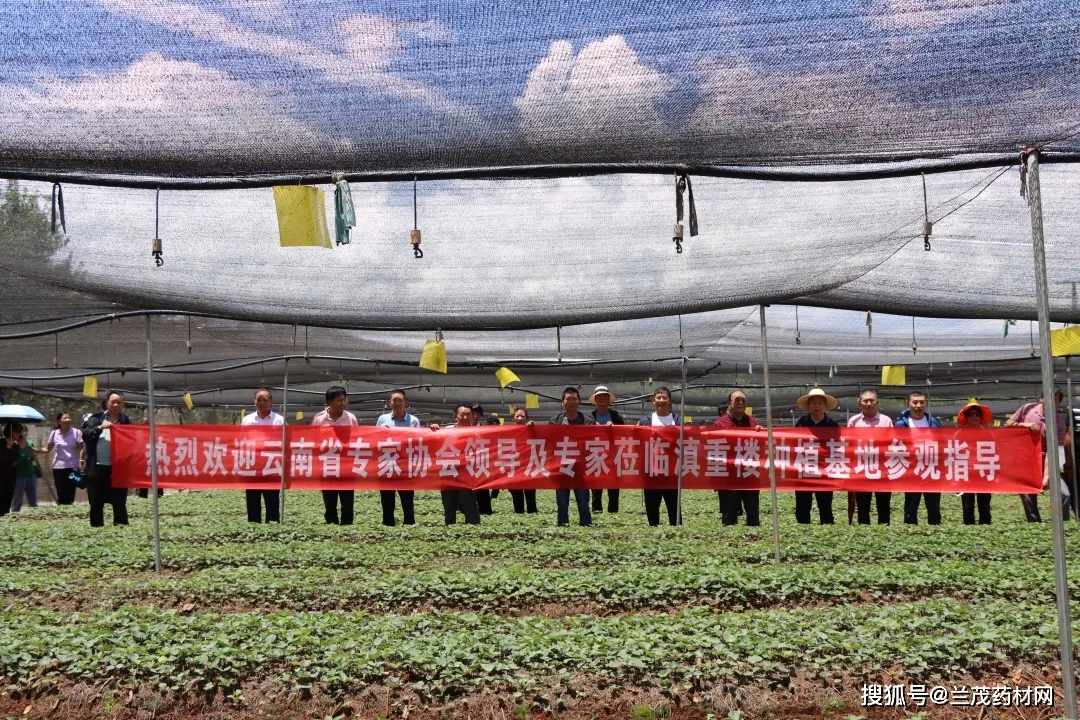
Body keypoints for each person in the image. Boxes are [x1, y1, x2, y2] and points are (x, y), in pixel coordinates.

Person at [1006, 389, 1069, 523]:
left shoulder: (1060, 424)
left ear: (1060, 402)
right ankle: (1034, 523)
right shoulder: (1026, 410)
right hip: (1026, 460)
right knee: (1027, 493)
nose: (1051, 402)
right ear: (1042, 399)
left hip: (1047, 460)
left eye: (1055, 399)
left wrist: (1047, 475)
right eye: (1048, 398)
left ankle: (1063, 525)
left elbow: (1053, 451)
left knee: (1064, 494)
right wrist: (1024, 424)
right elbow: (1008, 424)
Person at [714, 390, 764, 526]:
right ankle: (730, 543)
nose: (740, 403)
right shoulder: (720, 424)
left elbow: (762, 446)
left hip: (750, 475)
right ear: (730, 403)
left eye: (743, 400)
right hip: (728, 477)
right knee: (729, 516)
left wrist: (761, 433)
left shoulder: (753, 423)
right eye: (737, 400)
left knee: (753, 513)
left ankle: (754, 541)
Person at [82, 391, 132, 527]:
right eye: (112, 402)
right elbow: (86, 436)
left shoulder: (126, 421)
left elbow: (131, 442)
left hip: (117, 469)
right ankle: (97, 531)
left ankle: (121, 531)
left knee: (120, 503)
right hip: (97, 468)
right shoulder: (95, 418)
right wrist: (100, 427)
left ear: (123, 404)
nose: (115, 404)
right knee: (96, 503)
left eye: (119, 402)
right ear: (106, 403)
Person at [311, 385, 358, 525]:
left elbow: (357, 438)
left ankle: (347, 524)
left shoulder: (350, 418)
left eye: (344, 400)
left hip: (347, 465)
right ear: (329, 402)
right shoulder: (319, 419)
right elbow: (313, 440)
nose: (343, 403)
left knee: (347, 498)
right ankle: (331, 523)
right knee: (329, 497)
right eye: (339, 400)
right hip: (327, 464)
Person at [895, 392, 943, 525]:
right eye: (915, 402)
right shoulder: (900, 424)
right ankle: (910, 533)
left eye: (922, 402)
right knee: (911, 506)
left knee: (933, 506)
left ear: (926, 404)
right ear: (908, 404)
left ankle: (935, 534)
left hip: (931, 469)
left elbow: (941, 444)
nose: (918, 405)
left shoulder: (934, 423)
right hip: (911, 471)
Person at [793, 387, 839, 524]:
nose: (817, 405)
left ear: (825, 406)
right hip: (803, 470)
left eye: (820, 403)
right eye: (813, 402)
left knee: (825, 505)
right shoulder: (800, 423)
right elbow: (793, 443)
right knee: (802, 505)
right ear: (808, 406)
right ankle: (803, 531)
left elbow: (838, 447)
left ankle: (827, 531)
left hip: (825, 472)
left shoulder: (833, 426)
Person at [374, 389, 419, 526]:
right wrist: (382, 432)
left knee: (407, 498)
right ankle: (388, 524)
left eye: (400, 400)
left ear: (406, 403)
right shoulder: (382, 420)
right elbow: (375, 440)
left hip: (406, 466)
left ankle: (409, 524)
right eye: (395, 400)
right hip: (387, 464)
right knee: (387, 498)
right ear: (390, 403)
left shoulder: (414, 421)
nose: (397, 403)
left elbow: (418, 442)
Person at [847, 390, 892, 525]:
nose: (869, 403)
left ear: (877, 402)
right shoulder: (853, 421)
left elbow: (892, 444)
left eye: (872, 400)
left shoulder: (886, 420)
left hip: (882, 470)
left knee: (884, 505)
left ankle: (884, 532)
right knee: (863, 506)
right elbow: (849, 445)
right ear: (859, 403)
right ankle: (864, 533)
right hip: (862, 470)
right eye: (865, 400)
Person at [638, 387, 681, 527]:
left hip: (672, 473)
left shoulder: (678, 420)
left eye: (664, 397)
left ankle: (677, 538)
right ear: (653, 400)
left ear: (670, 401)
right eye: (658, 398)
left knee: (674, 510)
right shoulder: (645, 421)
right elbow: (634, 438)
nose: (661, 400)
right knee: (652, 509)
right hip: (651, 473)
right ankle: (653, 538)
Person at [550, 387, 594, 527]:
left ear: (579, 401)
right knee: (562, 503)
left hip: (581, 469)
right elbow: (548, 440)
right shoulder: (555, 421)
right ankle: (563, 527)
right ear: (563, 402)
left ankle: (586, 526)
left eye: (574, 399)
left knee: (583, 502)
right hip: (561, 468)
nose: (571, 402)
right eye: (568, 399)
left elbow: (596, 438)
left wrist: (608, 428)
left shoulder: (588, 421)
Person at [240, 387, 283, 523]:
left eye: (265, 400)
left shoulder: (279, 420)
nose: (262, 403)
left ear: (271, 402)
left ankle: (272, 527)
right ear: (254, 402)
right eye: (259, 400)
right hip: (252, 465)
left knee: (272, 500)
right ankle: (254, 527)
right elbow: (242, 441)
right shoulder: (247, 420)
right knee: (252, 499)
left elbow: (285, 441)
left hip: (272, 465)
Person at [438, 404, 481, 525]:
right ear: (455, 416)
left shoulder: (479, 433)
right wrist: (433, 429)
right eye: (462, 414)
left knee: (469, 505)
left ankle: (474, 531)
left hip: (468, 475)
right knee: (449, 506)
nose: (466, 417)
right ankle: (450, 532)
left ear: (473, 417)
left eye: (469, 414)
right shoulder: (445, 431)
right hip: (448, 473)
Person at [588, 385, 624, 514]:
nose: (602, 398)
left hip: (613, 458)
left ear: (609, 400)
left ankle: (613, 516)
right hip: (595, 458)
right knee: (596, 492)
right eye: (599, 396)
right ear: (596, 400)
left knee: (613, 491)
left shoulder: (616, 417)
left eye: (604, 396)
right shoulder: (589, 417)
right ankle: (597, 516)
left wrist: (615, 429)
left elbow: (624, 435)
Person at [956, 402, 993, 525]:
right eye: (971, 415)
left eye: (977, 414)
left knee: (985, 503)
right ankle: (968, 525)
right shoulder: (959, 434)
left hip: (983, 472)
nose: (974, 417)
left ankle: (985, 525)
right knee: (967, 503)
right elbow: (954, 454)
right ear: (966, 417)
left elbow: (994, 452)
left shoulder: (988, 434)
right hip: (966, 473)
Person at [46, 412, 84, 506]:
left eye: (69, 418)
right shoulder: (54, 433)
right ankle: (62, 511)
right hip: (58, 467)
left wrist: (81, 462)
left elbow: (81, 448)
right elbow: (47, 449)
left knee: (71, 491)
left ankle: (69, 511)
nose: (68, 420)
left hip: (72, 467)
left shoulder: (76, 432)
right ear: (59, 421)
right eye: (65, 418)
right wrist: (32, 449)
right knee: (60, 491)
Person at [509, 407, 538, 514]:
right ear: (513, 418)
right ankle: (519, 519)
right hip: (514, 469)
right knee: (517, 497)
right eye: (517, 416)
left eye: (522, 416)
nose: (520, 418)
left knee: (530, 497)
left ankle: (532, 518)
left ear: (527, 418)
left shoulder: (531, 429)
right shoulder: (507, 432)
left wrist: (532, 428)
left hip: (528, 468)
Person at [10, 424, 44, 512]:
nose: (24, 433)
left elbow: (34, 456)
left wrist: (32, 458)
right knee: (17, 500)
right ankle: (15, 517)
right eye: (22, 431)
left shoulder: (30, 443)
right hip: (19, 476)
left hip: (31, 474)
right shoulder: (13, 445)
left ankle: (34, 518)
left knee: (33, 501)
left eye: (26, 431)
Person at [469, 403, 495, 515]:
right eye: (473, 413)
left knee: (482, 490)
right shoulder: (459, 428)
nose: (475, 416)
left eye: (478, 414)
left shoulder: (485, 429)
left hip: (481, 464)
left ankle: (485, 512)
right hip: (466, 464)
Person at [0, 424, 19, 516]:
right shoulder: (1, 443)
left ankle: (5, 516)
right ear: (11, 431)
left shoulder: (16, 446)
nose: (19, 434)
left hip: (11, 476)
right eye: (17, 431)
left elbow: (16, 460)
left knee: (8, 497)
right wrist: (7, 447)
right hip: (1, 475)